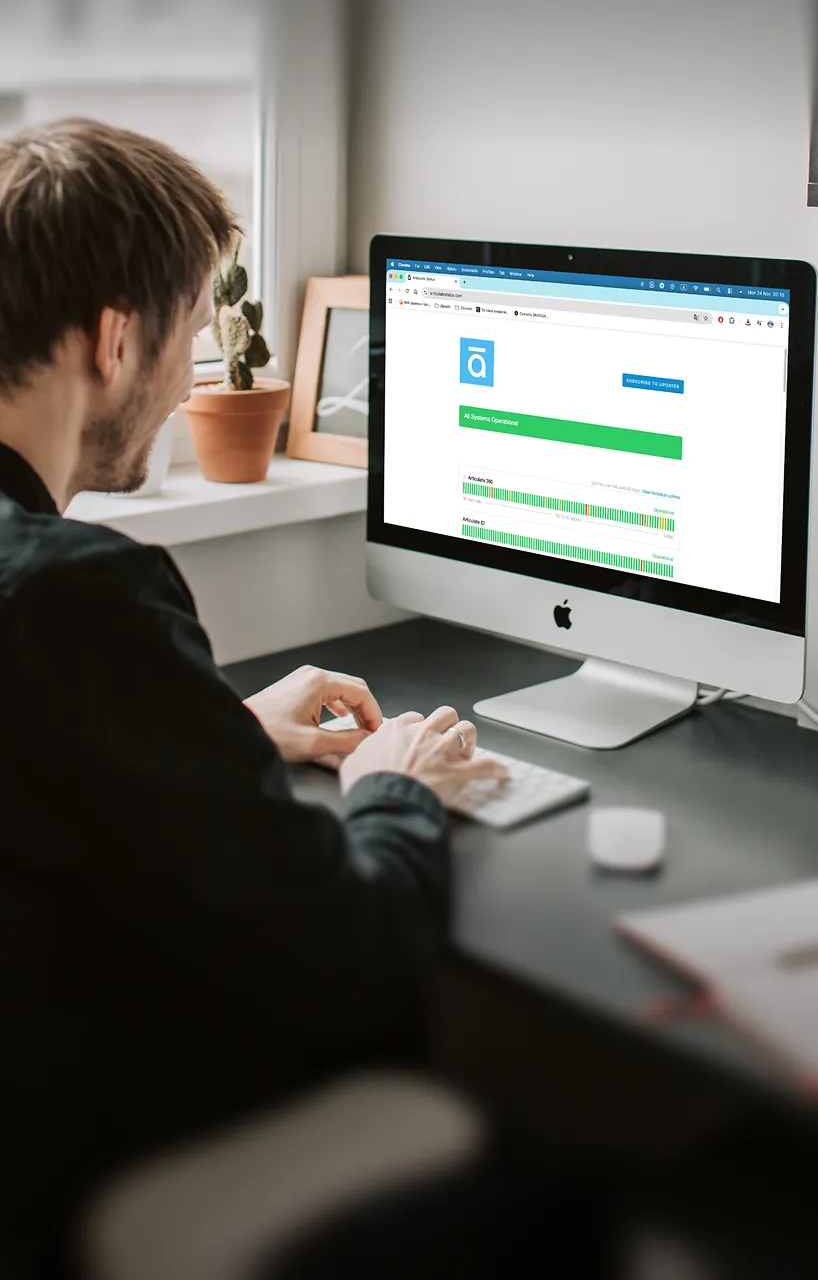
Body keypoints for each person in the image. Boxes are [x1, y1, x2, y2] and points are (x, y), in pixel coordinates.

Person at [0, 118, 506, 1278]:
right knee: (564, 1149)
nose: (190, 384)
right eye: (188, 339)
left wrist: (212, 728)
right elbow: (348, 955)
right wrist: (392, 790)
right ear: (114, 340)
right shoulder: (76, 595)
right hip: (73, 1136)